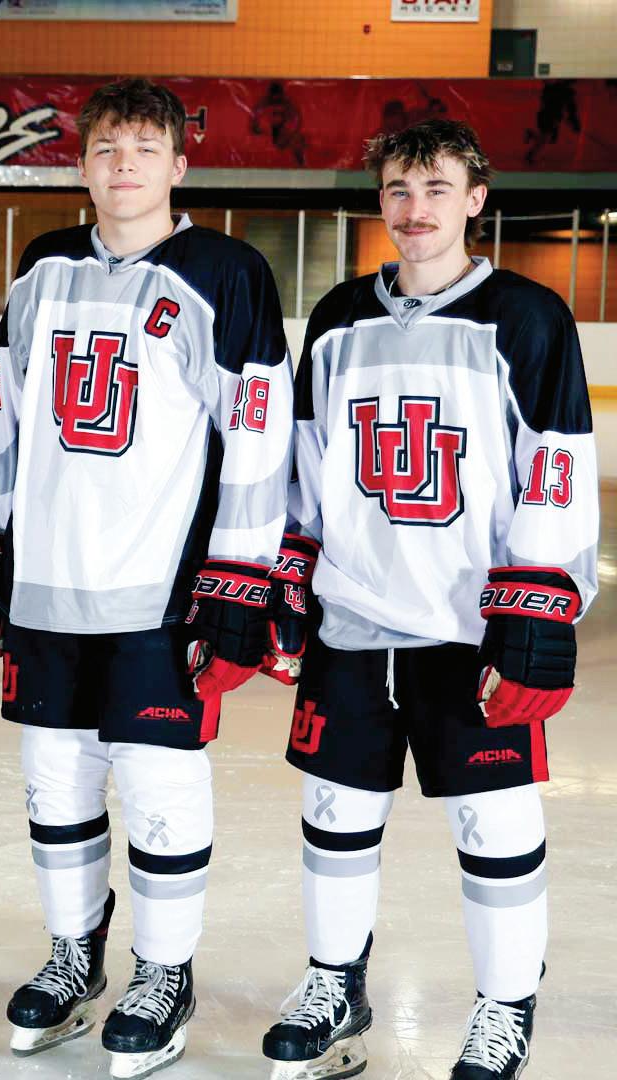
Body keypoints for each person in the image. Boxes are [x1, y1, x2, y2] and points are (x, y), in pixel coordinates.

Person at [0, 78, 293, 1078]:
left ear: (179, 166)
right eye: (106, 148)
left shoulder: (224, 272)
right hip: (48, 588)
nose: (123, 166)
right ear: (81, 164)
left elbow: (257, 433)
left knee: (157, 785)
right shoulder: (43, 265)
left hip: (163, 591)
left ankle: (163, 972)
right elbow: (2, 411)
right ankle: (73, 953)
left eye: (145, 150)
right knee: (54, 781)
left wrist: (241, 575)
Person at [260, 119, 595, 1080]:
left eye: (437, 189)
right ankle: (335, 986)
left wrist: (538, 605)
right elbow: (306, 465)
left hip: (469, 628)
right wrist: (287, 576)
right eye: (399, 190)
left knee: (494, 822)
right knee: (335, 811)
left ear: (475, 200)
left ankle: (505, 1007)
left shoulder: (527, 317)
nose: (415, 209)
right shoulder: (337, 318)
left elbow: (557, 465)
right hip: (352, 622)